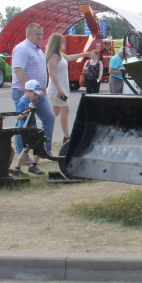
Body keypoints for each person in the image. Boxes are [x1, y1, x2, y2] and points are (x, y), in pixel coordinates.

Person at [11, 23, 55, 156]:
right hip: (24, 93)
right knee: (25, 124)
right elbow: (19, 70)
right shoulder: (22, 49)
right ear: (28, 34)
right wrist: (28, 92)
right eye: (37, 34)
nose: (41, 37)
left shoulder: (38, 50)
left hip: (39, 93)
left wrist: (43, 89)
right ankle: (23, 155)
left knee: (49, 117)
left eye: (42, 34)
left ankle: (44, 151)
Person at [45, 33, 92, 145]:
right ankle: (66, 136)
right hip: (57, 89)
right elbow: (51, 73)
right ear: (56, 43)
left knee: (55, 112)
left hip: (62, 87)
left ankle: (45, 128)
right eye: (62, 42)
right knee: (65, 110)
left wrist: (84, 54)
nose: (64, 44)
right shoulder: (53, 56)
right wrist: (59, 89)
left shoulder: (60, 54)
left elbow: (70, 57)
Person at [10, 79, 44, 176]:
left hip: (31, 129)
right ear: (28, 91)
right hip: (26, 130)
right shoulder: (23, 102)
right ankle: (33, 166)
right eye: (35, 94)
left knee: (26, 149)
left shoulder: (28, 101)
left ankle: (17, 168)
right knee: (37, 147)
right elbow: (19, 116)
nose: (36, 97)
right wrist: (28, 110)